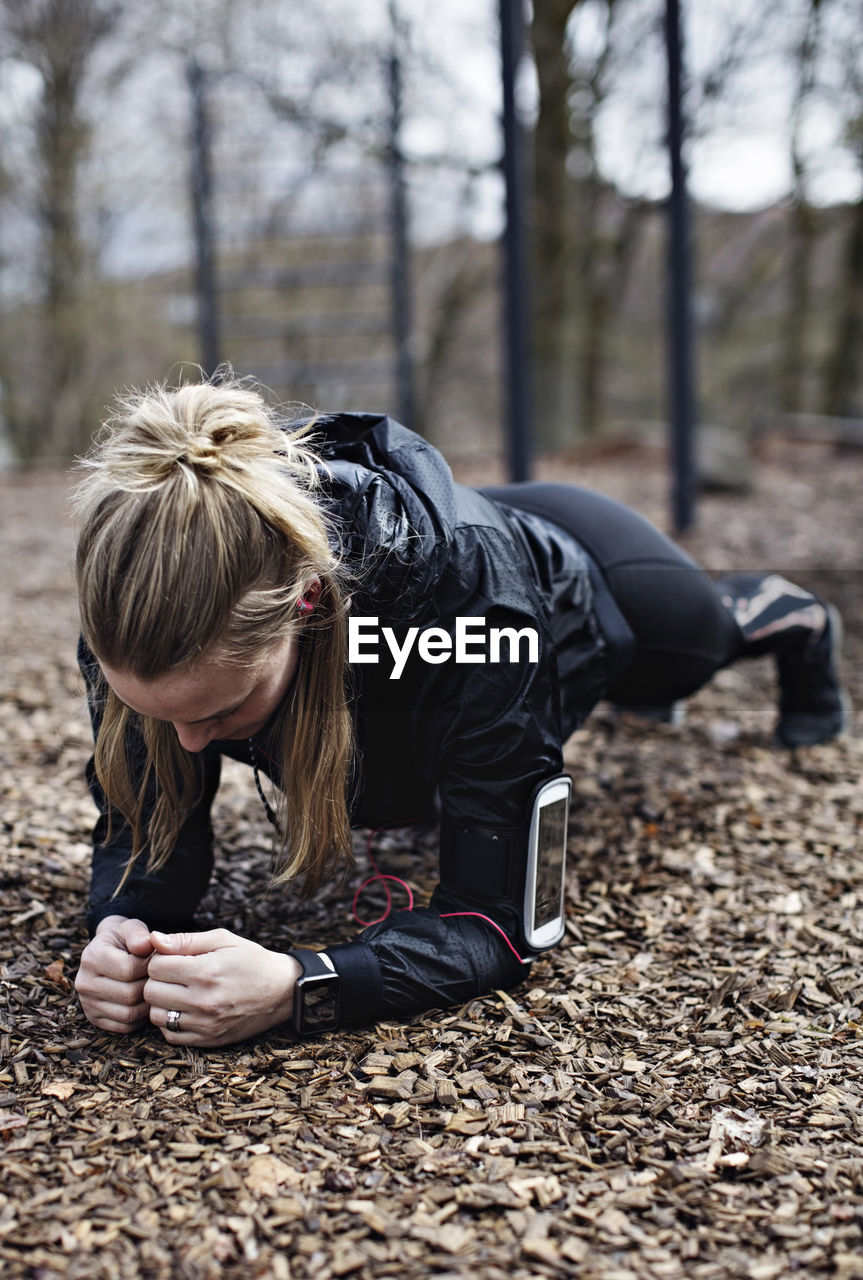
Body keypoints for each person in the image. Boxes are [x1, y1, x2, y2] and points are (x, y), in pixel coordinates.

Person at [72, 377, 849, 1046]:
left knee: (686, 659)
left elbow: (503, 924)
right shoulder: (144, 611)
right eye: (154, 712)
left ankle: (789, 619)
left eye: (223, 708)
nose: (188, 741)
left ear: (305, 610)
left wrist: (301, 983)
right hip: (418, 581)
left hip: (592, 580)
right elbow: (145, 833)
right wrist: (123, 921)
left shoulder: (470, 613)